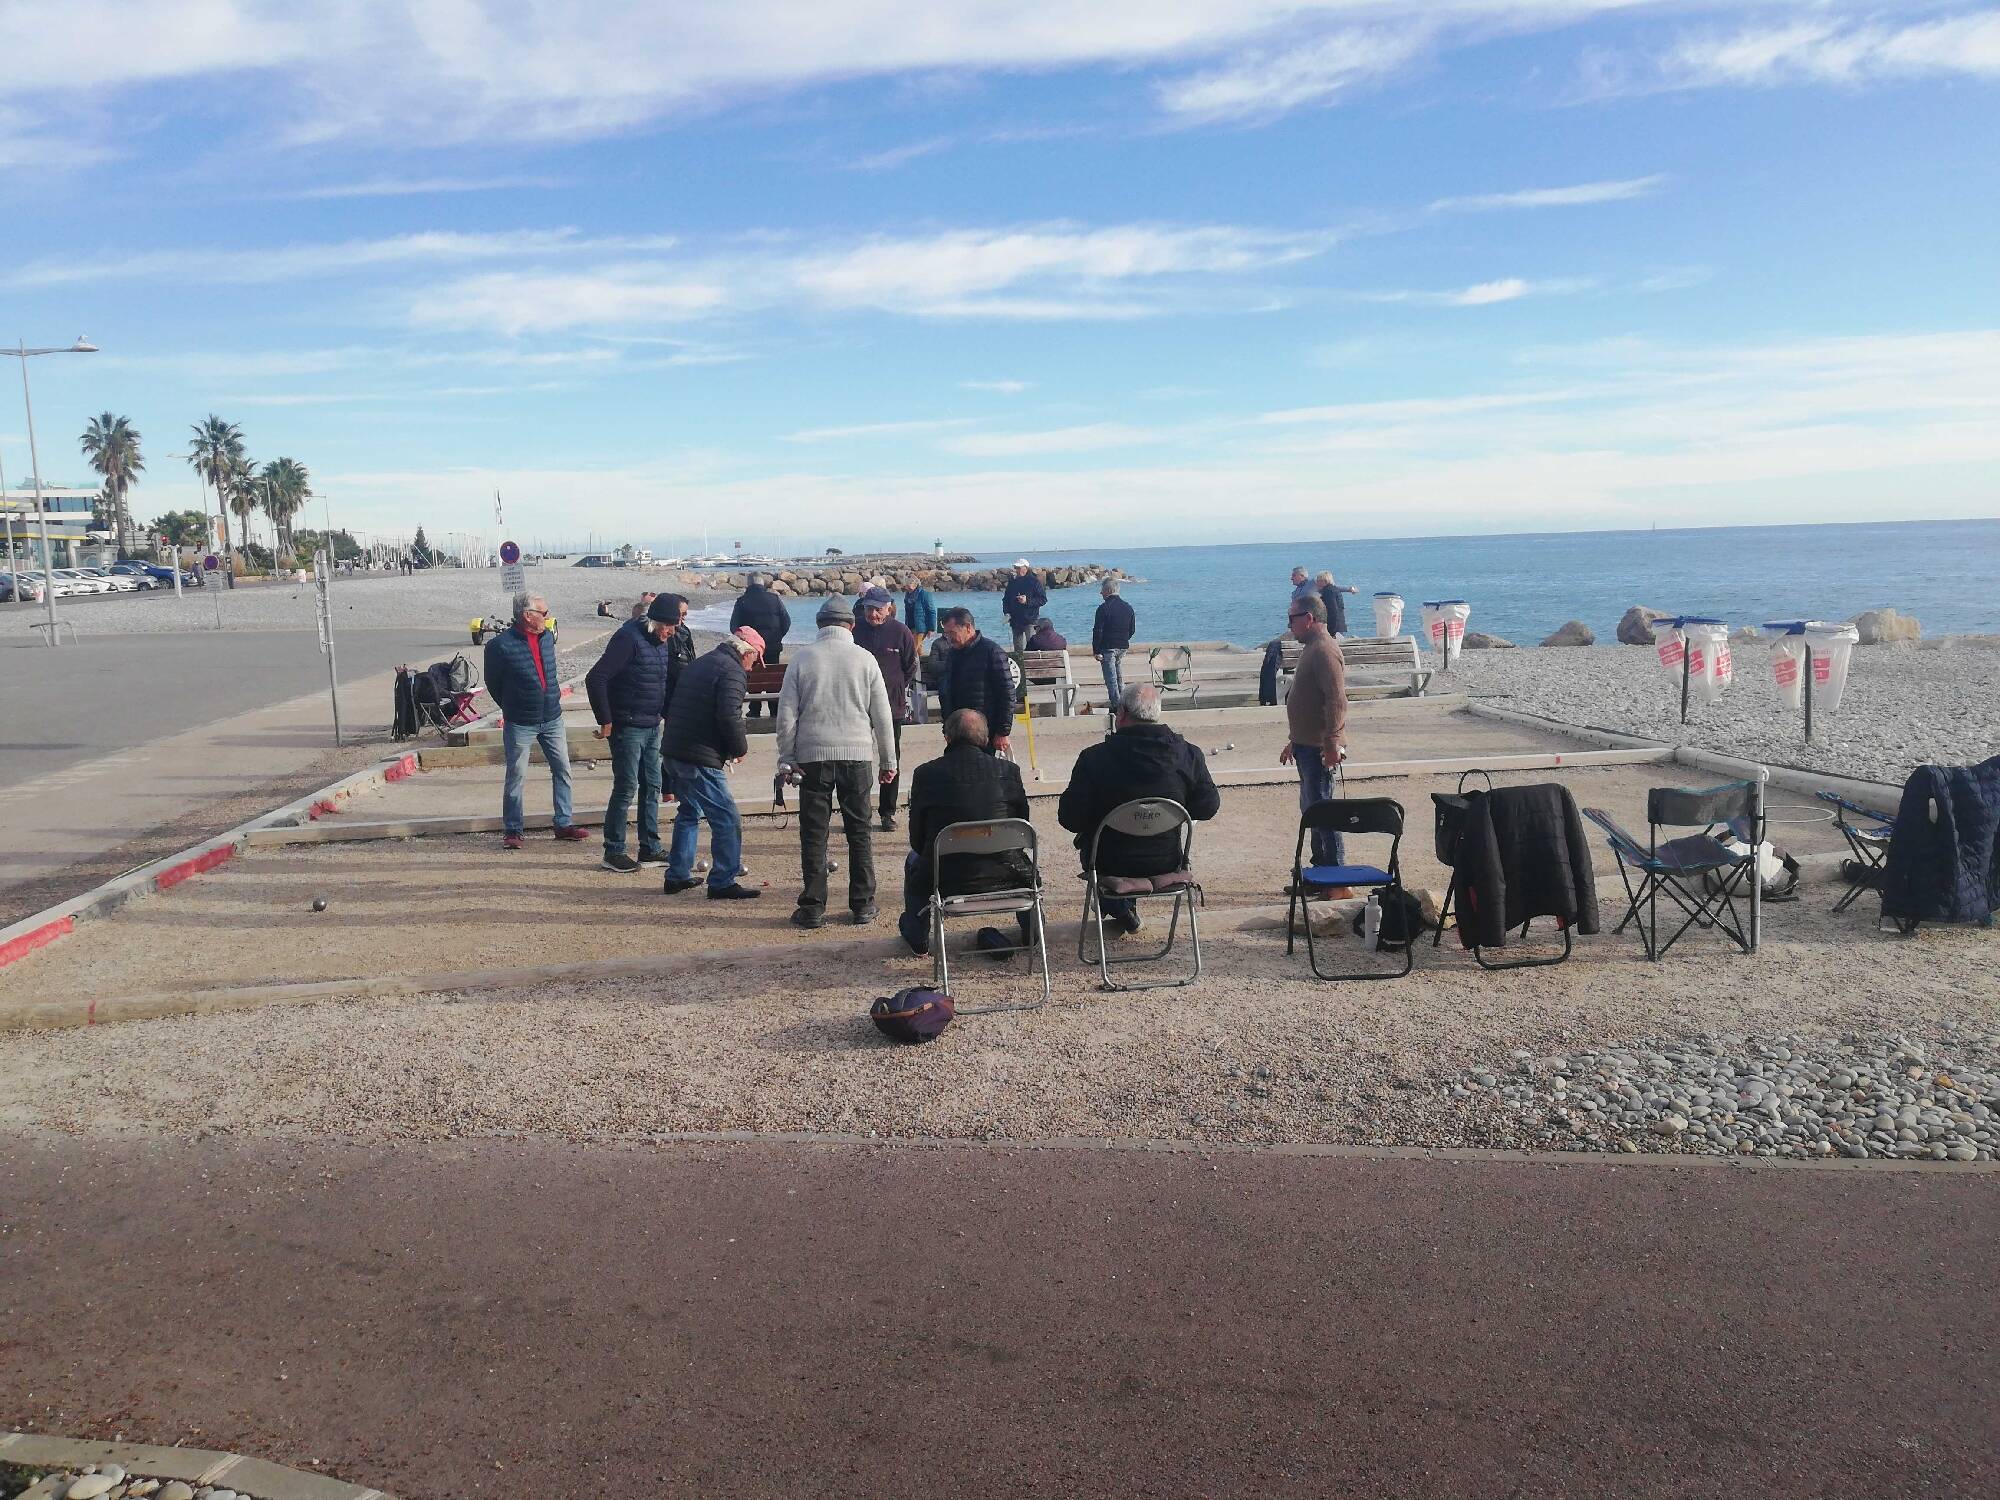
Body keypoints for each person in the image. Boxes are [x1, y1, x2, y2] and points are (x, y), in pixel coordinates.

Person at [775, 597, 898, 929]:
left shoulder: (802, 659)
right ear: (852, 625)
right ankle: (862, 904)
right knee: (860, 832)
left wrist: (786, 758)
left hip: (811, 758)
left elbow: (786, 716)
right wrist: (889, 759)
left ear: (819, 624)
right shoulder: (865, 658)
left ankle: (813, 907)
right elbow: (882, 715)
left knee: (814, 834)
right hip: (857, 755)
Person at [1058, 684, 1220, 933]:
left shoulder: (1094, 758)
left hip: (1110, 862)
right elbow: (1207, 807)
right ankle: (1120, 906)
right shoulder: (1188, 755)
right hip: (1167, 861)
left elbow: (1070, 818)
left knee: (1099, 832)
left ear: (1121, 714)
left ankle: (1118, 905)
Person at [898, 709, 1036, 956]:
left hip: (945, 876)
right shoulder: (1009, 772)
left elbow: (917, 840)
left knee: (913, 860)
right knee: (1023, 861)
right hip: (1006, 871)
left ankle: (917, 936)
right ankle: (1033, 929)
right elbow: (1021, 824)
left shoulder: (926, 774)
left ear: (948, 738)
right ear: (984, 739)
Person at [659, 628, 764, 900]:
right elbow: (729, 716)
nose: (754, 667)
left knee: (689, 811)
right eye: (756, 659)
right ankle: (722, 881)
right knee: (727, 818)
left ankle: (677, 875)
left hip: (674, 749)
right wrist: (739, 748)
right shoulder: (733, 671)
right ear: (747, 652)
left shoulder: (702, 662)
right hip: (698, 755)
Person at [484, 592, 586, 851]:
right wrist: (512, 706)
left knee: (563, 770)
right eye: (544, 613)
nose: (548, 617)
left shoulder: (547, 638)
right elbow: (493, 683)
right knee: (516, 775)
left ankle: (563, 824)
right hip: (520, 721)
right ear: (528, 616)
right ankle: (513, 830)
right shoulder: (499, 646)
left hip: (552, 717)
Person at [583, 593, 677, 872]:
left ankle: (649, 848)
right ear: (654, 621)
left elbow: (660, 680)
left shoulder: (662, 640)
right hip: (627, 725)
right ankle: (613, 851)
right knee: (626, 788)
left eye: (675, 627)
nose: (671, 633)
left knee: (653, 786)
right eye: (668, 627)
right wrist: (606, 720)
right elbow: (596, 677)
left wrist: (667, 713)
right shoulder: (628, 639)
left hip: (651, 724)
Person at [1278, 595, 1351, 896]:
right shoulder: (1312, 648)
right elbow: (1308, 701)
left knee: (1324, 814)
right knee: (1313, 813)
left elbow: (1336, 699)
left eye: (1292, 618)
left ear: (1308, 618)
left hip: (1320, 750)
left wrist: (1332, 741)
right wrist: (1294, 741)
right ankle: (1318, 876)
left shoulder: (1324, 650)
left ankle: (1337, 881)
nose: (1289, 625)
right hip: (1306, 746)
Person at [853, 587, 919, 833]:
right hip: (858, 704)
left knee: (891, 758)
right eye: (869, 608)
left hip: (892, 706)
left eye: (878, 609)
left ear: (889, 607)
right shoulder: (855, 629)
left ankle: (887, 812)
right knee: (857, 758)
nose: (873, 614)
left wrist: (896, 687)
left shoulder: (901, 631)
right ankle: (860, 811)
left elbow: (910, 666)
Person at [936, 606, 1014, 754]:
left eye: (952, 633)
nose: (949, 638)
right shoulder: (952, 654)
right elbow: (946, 691)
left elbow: (1007, 694)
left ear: (967, 627)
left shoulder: (992, 651)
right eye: (946, 634)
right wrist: (947, 727)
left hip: (984, 730)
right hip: (956, 729)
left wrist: (1003, 731)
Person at [730, 572, 791, 718]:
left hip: (750, 649)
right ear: (762, 584)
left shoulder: (742, 601)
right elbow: (786, 622)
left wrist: (746, 641)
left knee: (753, 677)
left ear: (749, 584)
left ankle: (755, 709)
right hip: (772, 648)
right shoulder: (774, 599)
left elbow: (734, 627)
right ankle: (774, 710)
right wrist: (777, 637)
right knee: (772, 679)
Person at [654, 593, 696, 801]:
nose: (683, 618)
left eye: (686, 614)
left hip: (683, 695)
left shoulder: (685, 632)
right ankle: (668, 789)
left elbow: (691, 660)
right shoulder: (664, 635)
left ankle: (674, 788)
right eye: (681, 613)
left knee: (679, 744)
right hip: (670, 696)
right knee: (672, 745)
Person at [1091, 577, 1135, 708]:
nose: (1100, 593)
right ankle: (1124, 702)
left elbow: (1098, 631)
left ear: (1108, 590)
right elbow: (1132, 629)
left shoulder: (1103, 608)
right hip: (1122, 646)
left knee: (1111, 680)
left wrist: (1096, 650)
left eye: (1102, 590)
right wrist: (1123, 639)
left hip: (1108, 647)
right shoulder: (1128, 607)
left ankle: (1117, 706)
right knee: (1119, 676)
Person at [902, 579, 937, 724]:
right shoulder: (907, 595)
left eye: (909, 583)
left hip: (921, 626)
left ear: (915, 584)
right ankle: (920, 670)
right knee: (919, 651)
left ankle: (911, 670)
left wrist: (931, 628)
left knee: (913, 649)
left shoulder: (924, 595)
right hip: (910, 625)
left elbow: (931, 610)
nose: (907, 586)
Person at [1001, 559, 1047, 652]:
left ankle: (1032, 665)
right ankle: (1019, 665)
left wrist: (1027, 601)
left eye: (1018, 568)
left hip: (1030, 619)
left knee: (1032, 646)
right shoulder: (1012, 582)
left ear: (1025, 568)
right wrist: (1006, 613)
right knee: (1018, 649)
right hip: (1015, 619)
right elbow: (1005, 599)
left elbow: (1042, 599)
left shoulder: (1034, 582)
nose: (1016, 570)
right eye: (1015, 568)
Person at [1315, 571, 1349, 638]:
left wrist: (1331, 631)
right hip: (1339, 625)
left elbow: (1333, 611)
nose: (1317, 583)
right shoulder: (1335, 590)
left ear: (1324, 581)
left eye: (1318, 581)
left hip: (1333, 627)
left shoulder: (1328, 592)